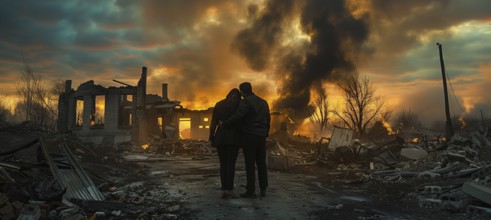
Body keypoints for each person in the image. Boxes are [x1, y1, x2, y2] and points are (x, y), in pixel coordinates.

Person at [221, 82, 270, 198]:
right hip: (261, 136)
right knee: (261, 163)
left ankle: (251, 190)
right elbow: (268, 119)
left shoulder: (246, 102)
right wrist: (265, 133)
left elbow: (238, 116)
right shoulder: (264, 102)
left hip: (250, 136)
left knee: (250, 163)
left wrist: (224, 124)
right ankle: (263, 189)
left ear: (242, 92)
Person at [209, 88, 242, 199]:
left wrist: (212, 136)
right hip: (234, 139)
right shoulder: (239, 105)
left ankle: (224, 190)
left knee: (223, 164)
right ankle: (229, 190)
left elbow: (213, 122)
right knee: (230, 165)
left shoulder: (219, 104)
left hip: (220, 138)